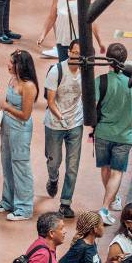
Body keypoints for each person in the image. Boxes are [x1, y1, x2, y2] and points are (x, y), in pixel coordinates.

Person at [93, 45, 132, 226]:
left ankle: (110, 201)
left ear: (107, 60)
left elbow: (93, 105)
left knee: (105, 169)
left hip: (103, 133)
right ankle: (106, 207)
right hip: (124, 135)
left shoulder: (101, 81)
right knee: (117, 172)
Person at [0, 50, 39, 221]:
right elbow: (6, 103)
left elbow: (25, 114)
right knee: (7, 164)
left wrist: (5, 107)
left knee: (20, 166)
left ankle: (24, 207)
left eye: (12, 62)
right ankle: (8, 201)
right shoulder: (13, 80)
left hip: (20, 129)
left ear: (20, 65)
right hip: (7, 126)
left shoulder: (28, 86)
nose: (8, 65)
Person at [42, 43, 84, 221]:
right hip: (55, 124)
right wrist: (60, 117)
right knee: (54, 160)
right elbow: (51, 101)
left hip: (75, 123)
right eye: (73, 52)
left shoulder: (85, 72)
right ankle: (53, 178)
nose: (76, 56)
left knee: (72, 166)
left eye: (79, 54)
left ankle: (65, 203)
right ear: (68, 52)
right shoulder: (56, 71)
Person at [40, 0, 106, 62]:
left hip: (79, 45)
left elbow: (92, 21)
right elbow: (52, 17)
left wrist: (100, 42)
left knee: (79, 72)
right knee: (64, 69)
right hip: (62, 42)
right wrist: (43, 35)